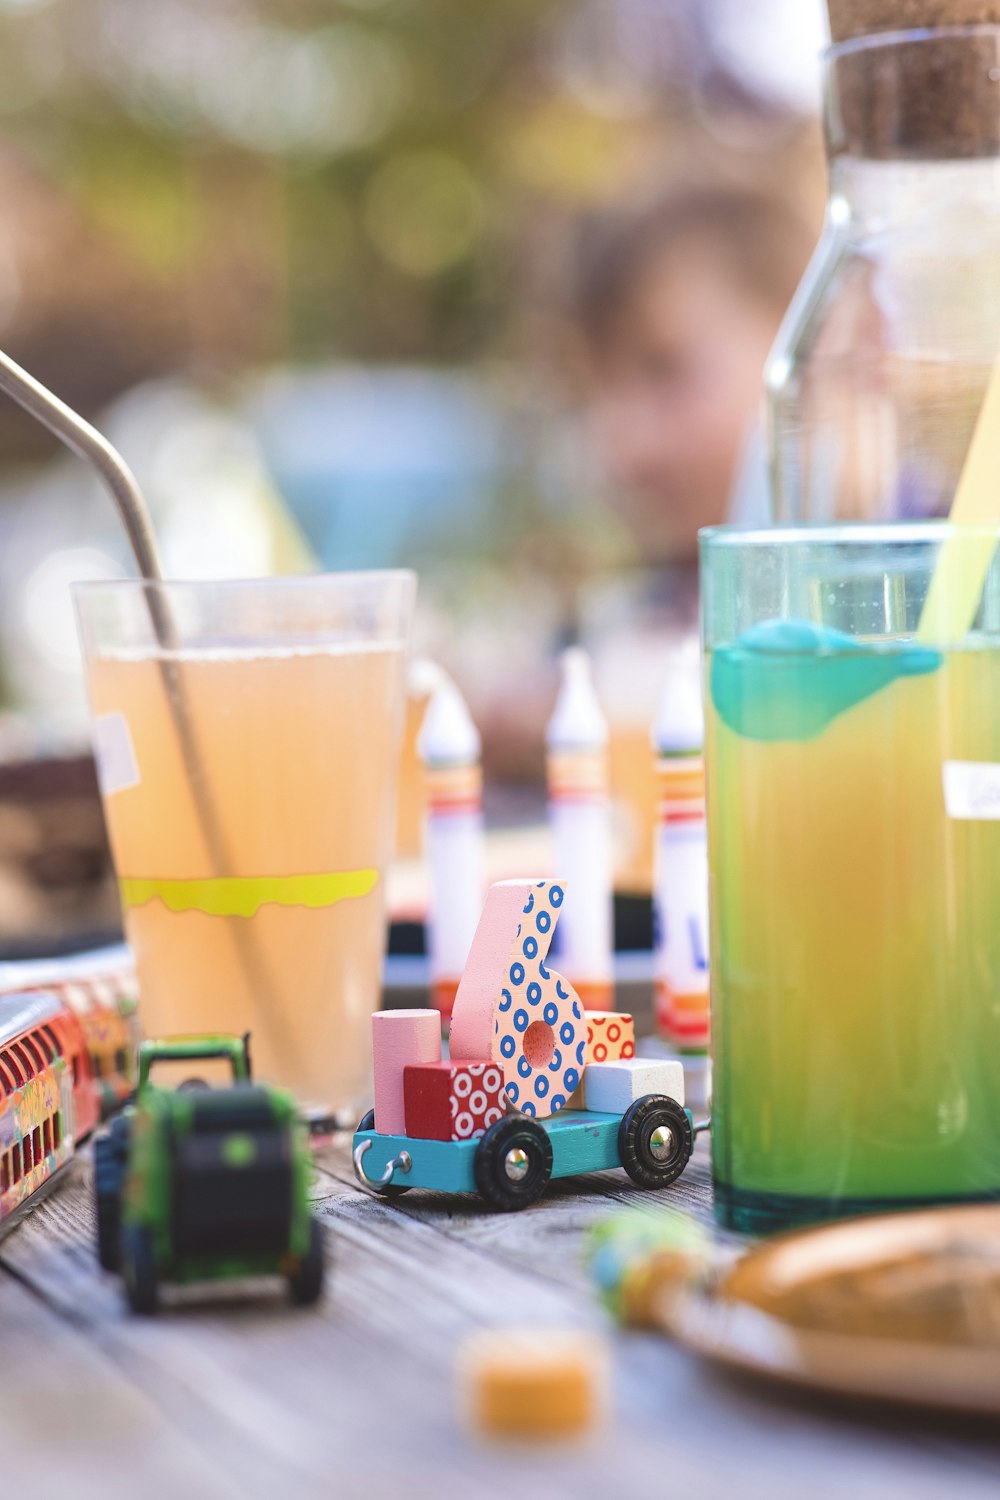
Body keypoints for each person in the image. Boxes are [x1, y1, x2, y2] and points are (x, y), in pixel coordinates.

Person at [574, 184, 817, 572]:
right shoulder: (658, 609)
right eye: (595, 394)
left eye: (665, 370)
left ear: (815, 340)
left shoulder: (936, 569)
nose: (627, 448)